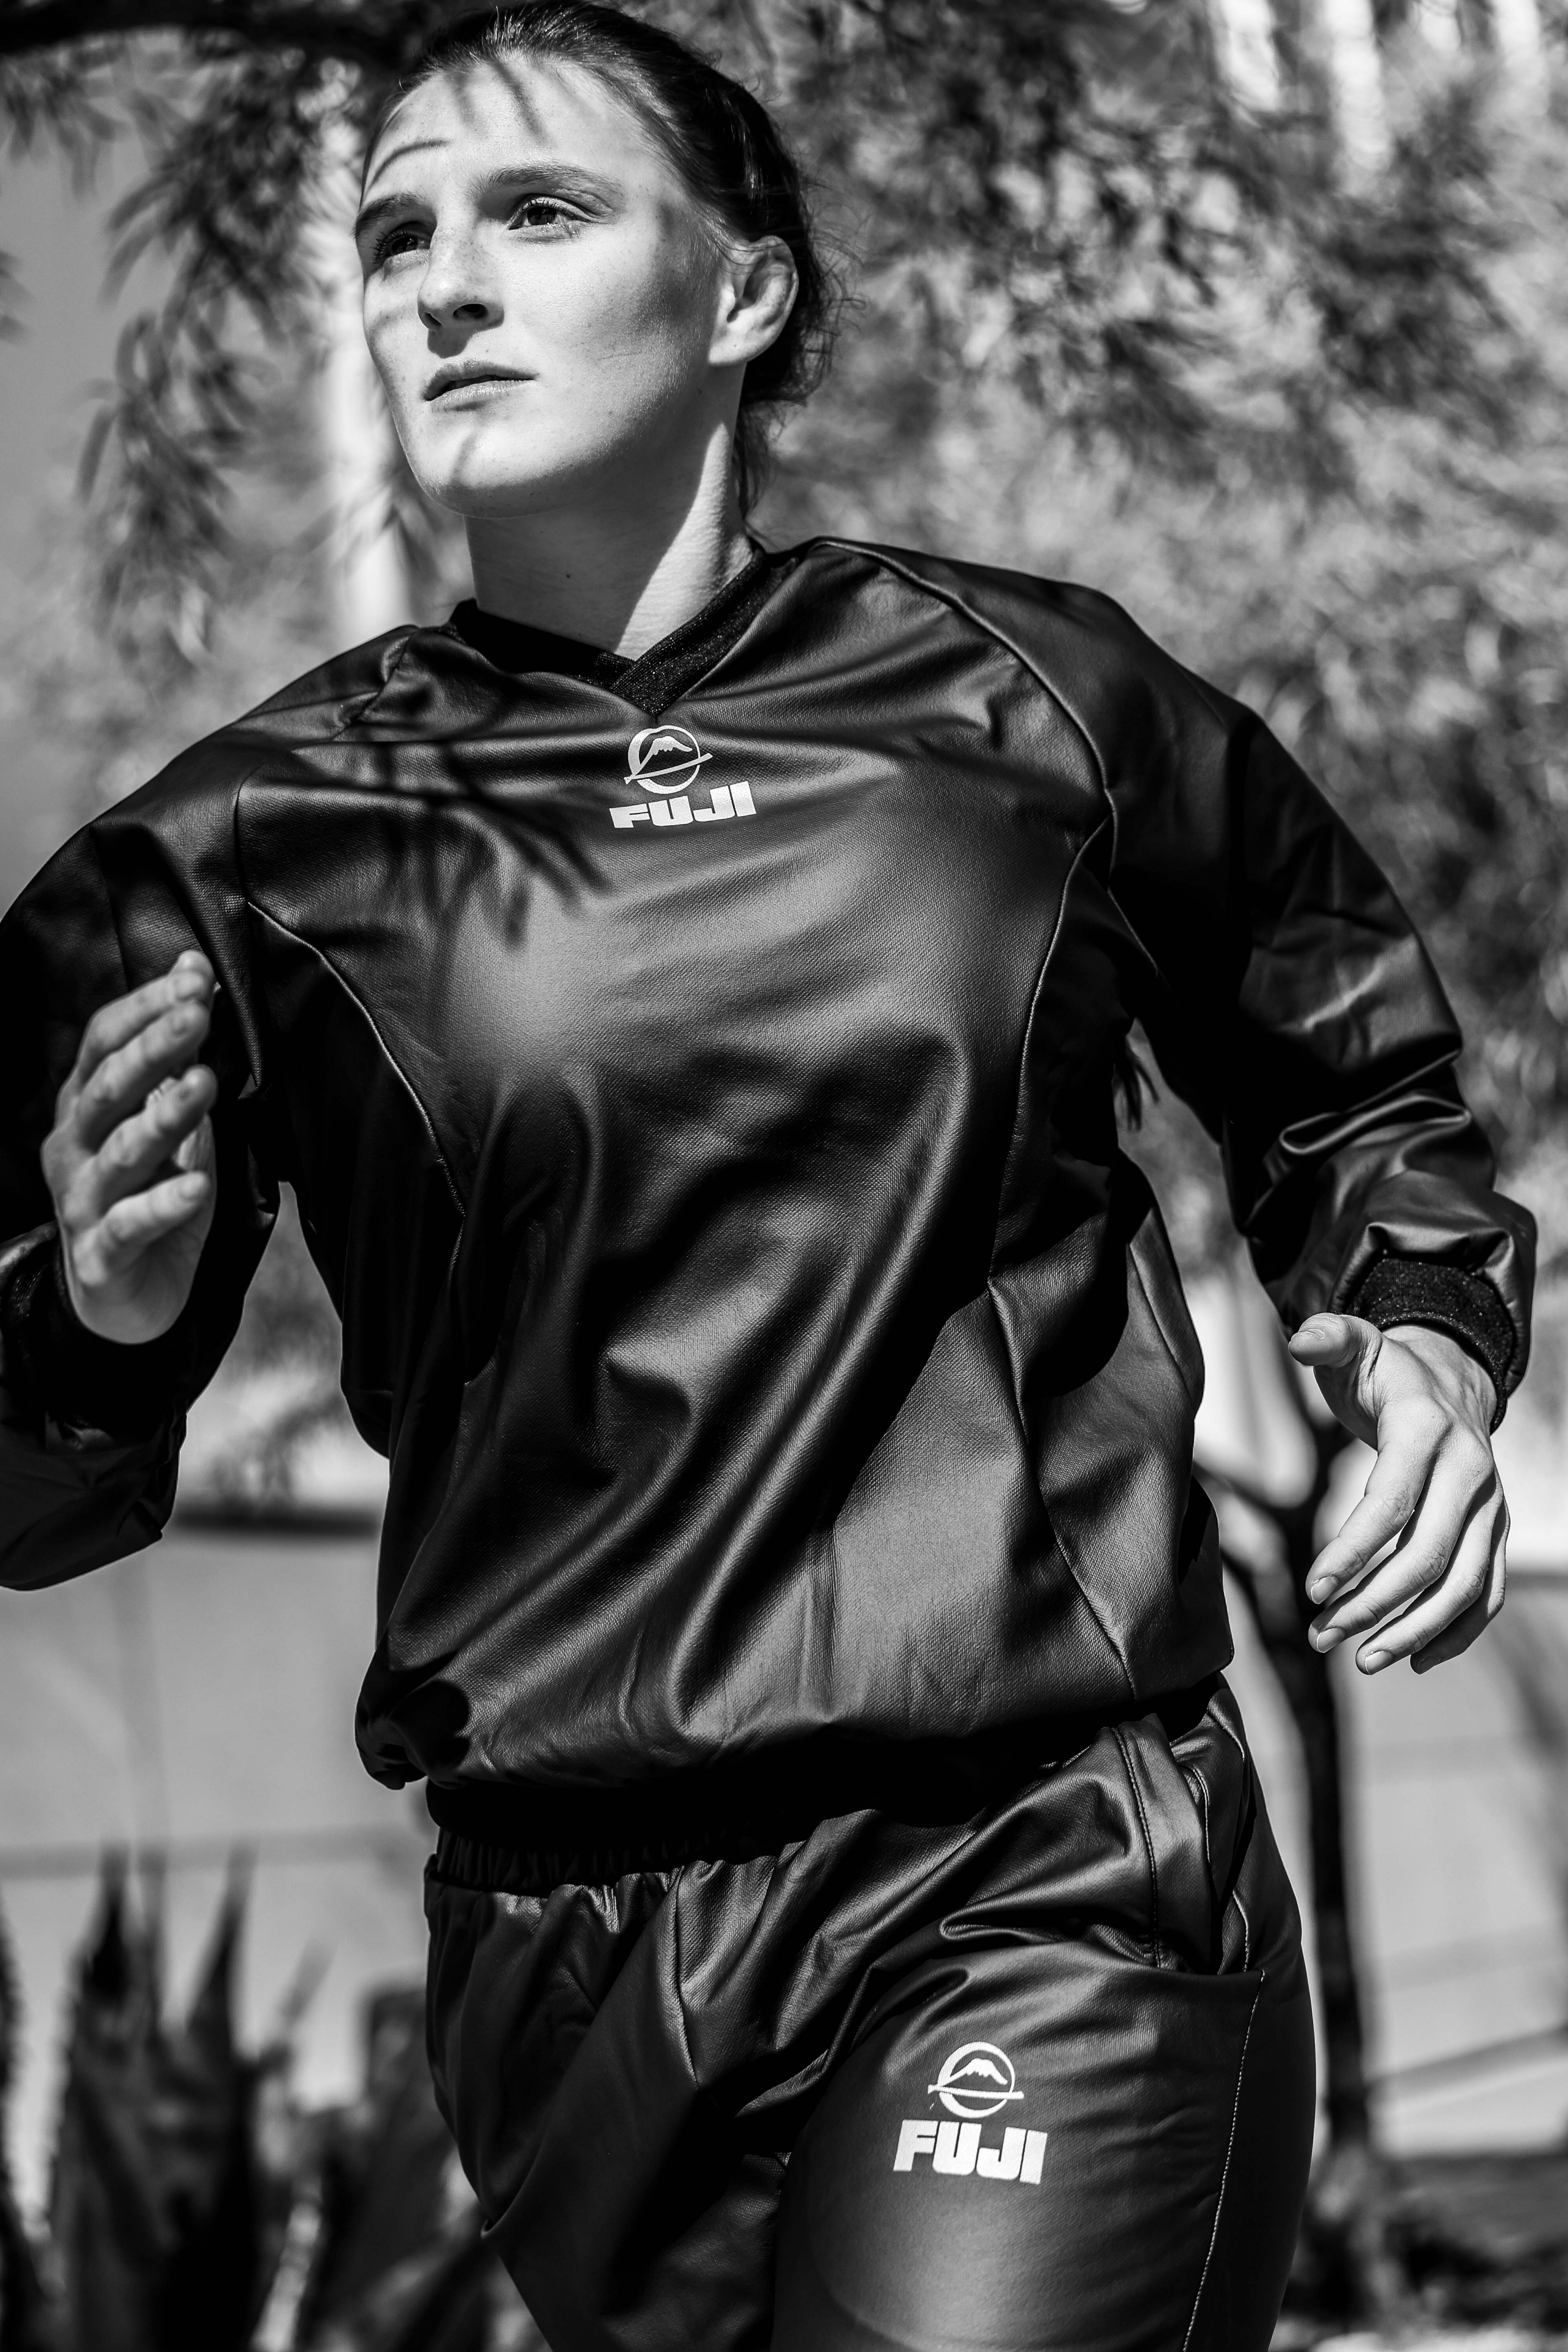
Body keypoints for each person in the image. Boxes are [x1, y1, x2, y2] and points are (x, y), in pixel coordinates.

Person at [0, 5, 1533, 2346]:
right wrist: (103, 1333)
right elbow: (24, 1477)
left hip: (1039, 1862)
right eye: (394, 236)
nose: (444, 282)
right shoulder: (241, 847)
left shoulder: (1032, 699)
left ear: (743, 293)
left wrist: (1423, 1323)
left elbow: (1349, 1059)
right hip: (568, 1956)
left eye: (536, 211)